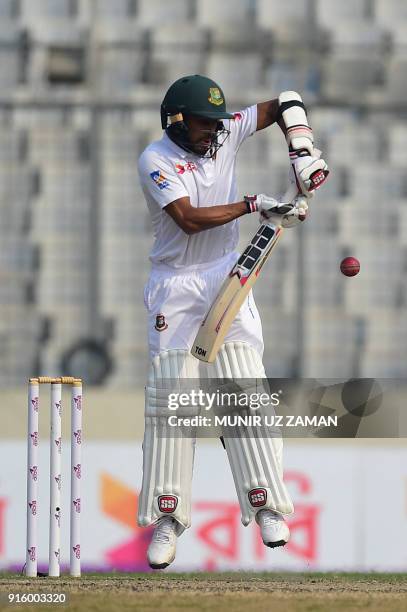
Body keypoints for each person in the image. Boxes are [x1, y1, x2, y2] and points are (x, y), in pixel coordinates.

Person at [137, 74, 329, 569]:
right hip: (176, 288)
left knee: (244, 387)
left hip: (227, 279)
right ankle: (168, 515)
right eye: (204, 123)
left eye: (217, 123)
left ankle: (266, 504)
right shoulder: (156, 159)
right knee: (173, 400)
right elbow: (188, 217)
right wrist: (252, 204)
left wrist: (302, 150)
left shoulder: (224, 133)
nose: (214, 132)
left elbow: (287, 101)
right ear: (176, 119)